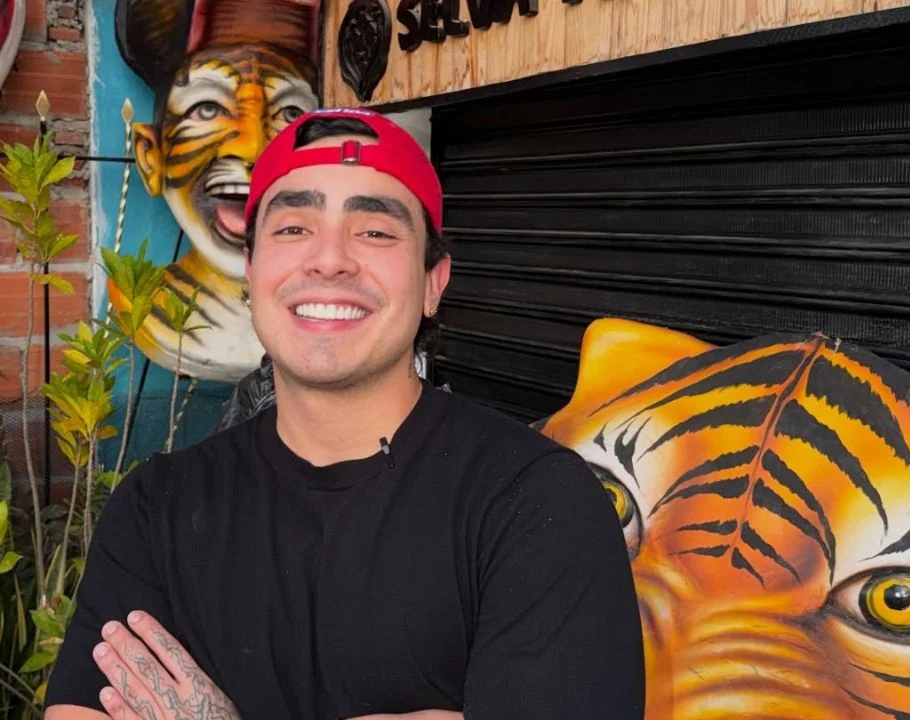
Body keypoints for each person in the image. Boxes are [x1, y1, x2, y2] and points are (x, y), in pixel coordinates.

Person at [43, 108, 645, 719]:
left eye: (376, 232)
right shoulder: (158, 508)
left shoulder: (536, 503)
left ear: (434, 282)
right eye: (293, 229)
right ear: (251, 271)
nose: (329, 260)